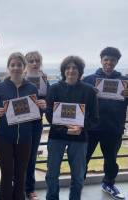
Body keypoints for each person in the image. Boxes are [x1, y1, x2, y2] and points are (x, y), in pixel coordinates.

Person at [0, 52, 46, 200]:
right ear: (8, 67)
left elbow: (37, 117)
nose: (16, 68)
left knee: (21, 175)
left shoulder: (32, 88)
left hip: (25, 138)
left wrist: (42, 108)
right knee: (7, 174)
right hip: (4, 138)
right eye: (13, 65)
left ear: (24, 67)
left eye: (19, 65)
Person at [45, 56, 98, 200]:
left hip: (80, 137)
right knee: (52, 174)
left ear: (80, 71)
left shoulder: (89, 91)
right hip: (57, 136)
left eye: (75, 68)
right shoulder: (54, 88)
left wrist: (81, 128)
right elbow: (49, 115)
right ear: (63, 71)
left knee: (78, 176)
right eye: (68, 67)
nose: (71, 70)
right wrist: (65, 130)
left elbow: (94, 118)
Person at [83, 47, 128, 200]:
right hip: (90, 127)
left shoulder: (125, 82)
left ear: (117, 62)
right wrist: (88, 92)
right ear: (101, 60)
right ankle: (77, 183)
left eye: (112, 60)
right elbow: (78, 100)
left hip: (113, 128)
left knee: (111, 161)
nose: (109, 63)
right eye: (106, 60)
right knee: (83, 158)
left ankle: (108, 184)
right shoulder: (89, 79)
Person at [24, 51, 50, 200]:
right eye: (31, 61)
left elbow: (50, 102)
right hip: (19, 123)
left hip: (36, 123)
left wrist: (45, 104)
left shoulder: (44, 81)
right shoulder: (19, 79)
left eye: (37, 60)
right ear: (26, 63)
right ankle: (18, 186)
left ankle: (30, 188)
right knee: (18, 156)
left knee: (32, 157)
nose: (34, 63)